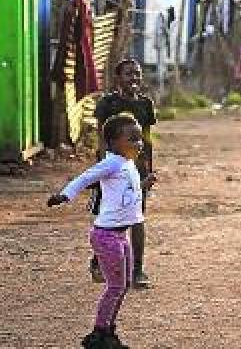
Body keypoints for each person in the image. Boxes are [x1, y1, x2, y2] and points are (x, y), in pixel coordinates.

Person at [47, 113, 156, 349]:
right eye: (132, 139)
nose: (139, 143)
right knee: (116, 286)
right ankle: (99, 333)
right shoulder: (111, 163)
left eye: (139, 138)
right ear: (113, 143)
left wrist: (144, 185)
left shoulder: (127, 164)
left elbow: (128, 196)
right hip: (107, 236)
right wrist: (65, 195)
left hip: (120, 235)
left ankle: (108, 331)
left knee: (123, 284)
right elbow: (85, 178)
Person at [91, 58, 156, 289]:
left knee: (136, 217)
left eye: (137, 74)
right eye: (129, 74)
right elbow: (100, 138)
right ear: (118, 78)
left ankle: (137, 269)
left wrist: (147, 167)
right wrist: (101, 168)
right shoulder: (108, 104)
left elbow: (147, 140)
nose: (134, 78)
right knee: (108, 216)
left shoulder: (145, 105)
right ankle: (99, 261)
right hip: (111, 170)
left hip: (136, 170)